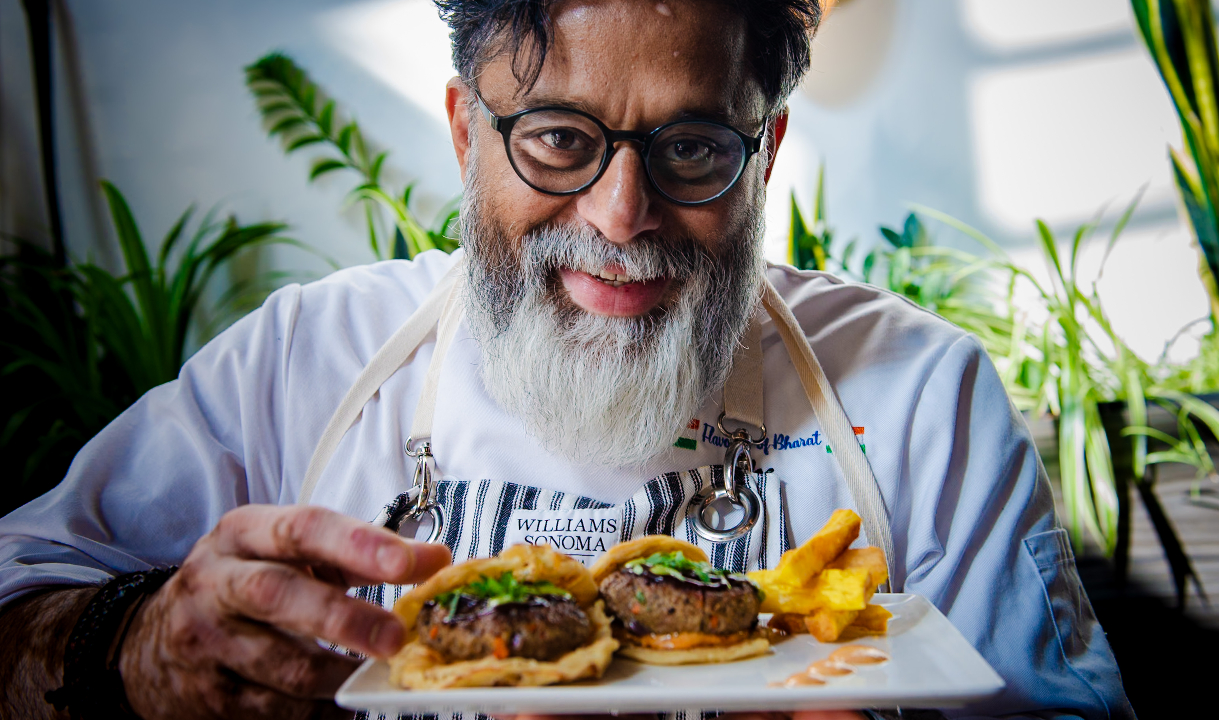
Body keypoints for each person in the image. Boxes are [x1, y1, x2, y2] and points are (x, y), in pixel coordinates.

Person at [0, 1, 1133, 719]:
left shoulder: (924, 392)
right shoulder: (302, 360)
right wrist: (135, 648)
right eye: (556, 137)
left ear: (766, 149)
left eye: (691, 145)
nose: (620, 213)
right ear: (462, 131)